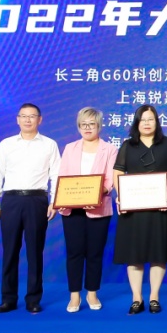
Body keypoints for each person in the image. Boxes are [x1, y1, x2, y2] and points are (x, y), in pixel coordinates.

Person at [0, 103, 60, 313]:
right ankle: (8, 299)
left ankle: (33, 299)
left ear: (40, 119)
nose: (28, 120)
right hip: (11, 200)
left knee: (35, 251)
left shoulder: (49, 144)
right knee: (10, 251)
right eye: (23, 116)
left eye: (32, 116)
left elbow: (56, 175)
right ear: (17, 119)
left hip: (37, 200)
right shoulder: (6, 144)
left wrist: (54, 201)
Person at [113, 105, 167, 315]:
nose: (147, 123)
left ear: (156, 121)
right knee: (134, 254)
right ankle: (137, 298)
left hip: (160, 207)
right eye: (142, 120)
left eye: (150, 119)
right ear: (136, 123)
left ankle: (154, 297)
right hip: (134, 207)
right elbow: (117, 172)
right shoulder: (128, 145)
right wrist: (121, 195)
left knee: (158, 252)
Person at [53, 107, 118, 313]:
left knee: (95, 253)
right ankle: (74, 295)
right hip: (72, 208)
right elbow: (62, 176)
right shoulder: (70, 148)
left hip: (98, 208)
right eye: (83, 124)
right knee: (74, 252)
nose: (87, 128)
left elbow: (110, 179)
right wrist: (61, 198)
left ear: (99, 126)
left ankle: (92, 293)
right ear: (78, 126)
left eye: (91, 124)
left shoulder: (110, 149)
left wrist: (97, 195)